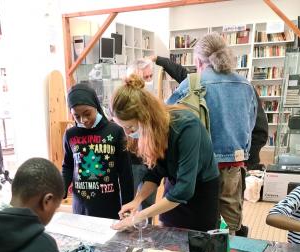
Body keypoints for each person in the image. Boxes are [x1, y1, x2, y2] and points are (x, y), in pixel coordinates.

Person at [150, 54, 268, 235]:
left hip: (195, 168)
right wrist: (246, 162)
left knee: (188, 224)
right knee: (228, 226)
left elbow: (167, 124)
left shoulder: (191, 83)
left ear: (198, 61)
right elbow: (259, 129)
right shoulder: (245, 85)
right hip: (231, 166)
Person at [110, 75, 220, 232]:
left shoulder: (186, 127)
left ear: (145, 117)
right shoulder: (152, 130)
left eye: (130, 127)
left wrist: (139, 216)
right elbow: (154, 173)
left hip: (201, 193)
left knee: (197, 243)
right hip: (174, 188)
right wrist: (137, 200)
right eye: (122, 128)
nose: (127, 133)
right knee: (167, 237)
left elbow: (185, 189)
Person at [62, 83, 134, 219]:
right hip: (81, 207)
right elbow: (67, 166)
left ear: (95, 106)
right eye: (77, 116)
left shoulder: (115, 131)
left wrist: (128, 204)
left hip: (108, 206)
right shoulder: (70, 134)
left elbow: (125, 173)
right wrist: (62, 190)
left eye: (87, 113)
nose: (84, 120)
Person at [126, 59, 158, 209]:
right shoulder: (126, 100)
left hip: (150, 159)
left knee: (148, 205)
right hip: (132, 160)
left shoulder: (152, 100)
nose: (149, 81)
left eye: (151, 76)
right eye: (146, 78)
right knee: (128, 201)